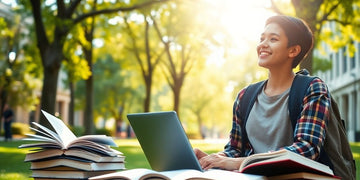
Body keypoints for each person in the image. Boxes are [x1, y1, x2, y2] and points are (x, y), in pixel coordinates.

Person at [194, 15, 331, 171]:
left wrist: (242, 162)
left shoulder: (311, 88)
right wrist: (213, 159)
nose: (263, 45)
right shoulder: (245, 96)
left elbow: (306, 149)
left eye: (273, 39)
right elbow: (235, 149)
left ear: (293, 50)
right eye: (262, 39)